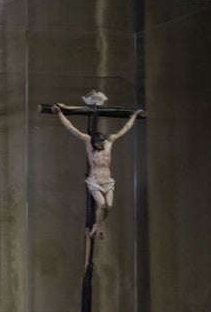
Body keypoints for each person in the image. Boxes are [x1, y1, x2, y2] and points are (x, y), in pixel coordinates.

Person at [51, 90, 143, 239]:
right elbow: (71, 128)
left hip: (107, 181)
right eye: (98, 143)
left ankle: (97, 225)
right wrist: (60, 113)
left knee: (110, 206)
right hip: (95, 180)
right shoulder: (88, 142)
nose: (100, 145)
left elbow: (124, 129)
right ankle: (98, 227)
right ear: (94, 142)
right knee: (102, 205)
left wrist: (133, 116)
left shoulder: (109, 141)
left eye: (101, 142)